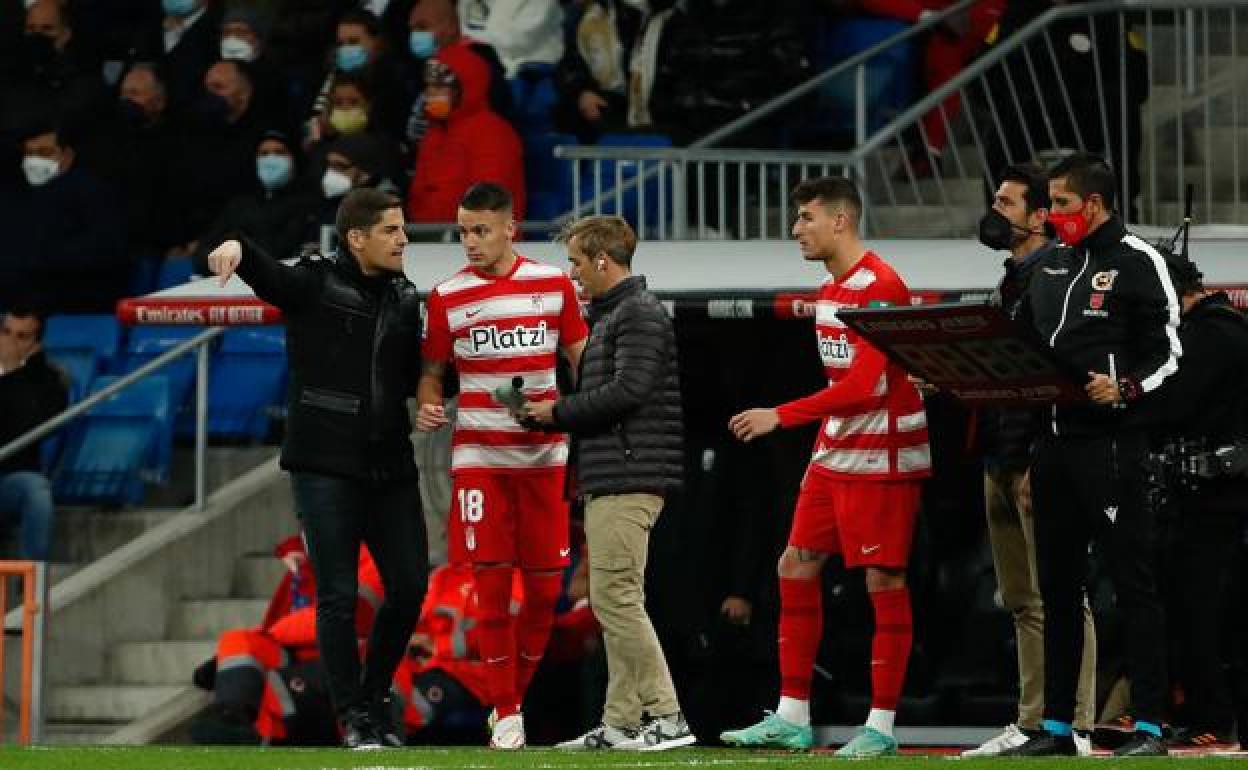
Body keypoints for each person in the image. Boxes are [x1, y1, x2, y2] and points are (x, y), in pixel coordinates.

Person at [204, 188, 429, 750]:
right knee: (337, 595)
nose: (403, 239)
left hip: (390, 462)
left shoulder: (405, 297)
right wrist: (237, 247)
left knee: (409, 588)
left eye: (403, 230)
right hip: (325, 464)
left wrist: (436, 389)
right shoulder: (314, 281)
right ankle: (352, 716)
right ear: (356, 238)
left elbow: (408, 375)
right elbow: (270, 276)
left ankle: (373, 698)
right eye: (391, 230)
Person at [719, 177, 930, 758]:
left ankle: (881, 728)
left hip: (884, 455)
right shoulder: (831, 290)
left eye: (806, 217)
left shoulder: (882, 286)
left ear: (841, 220)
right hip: (836, 452)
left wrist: (780, 416)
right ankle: (791, 716)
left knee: (882, 580)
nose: (796, 229)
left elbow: (865, 386)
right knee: (796, 562)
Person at [1004, 153, 1180, 757]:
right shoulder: (1048, 266)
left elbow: (1171, 353)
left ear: (1093, 206)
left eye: (1060, 204)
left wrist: (1126, 387)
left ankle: (1151, 726)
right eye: (1050, 203)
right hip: (1052, 448)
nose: (1051, 215)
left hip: (1111, 448)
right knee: (1056, 587)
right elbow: (1019, 349)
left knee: (1133, 585)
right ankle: (1058, 726)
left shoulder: (1138, 261)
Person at [415, 181, 588, 749]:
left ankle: (507, 701)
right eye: (463, 231)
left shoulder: (553, 284)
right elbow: (433, 369)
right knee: (489, 582)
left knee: (543, 592)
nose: (470, 241)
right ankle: (509, 710)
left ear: (509, 229)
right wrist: (429, 400)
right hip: (479, 458)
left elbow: (580, 359)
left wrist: (583, 413)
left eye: (481, 230)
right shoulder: (445, 296)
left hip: (544, 457)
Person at [519, 215, 692, 751]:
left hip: (629, 475)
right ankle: (621, 722)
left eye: (575, 262)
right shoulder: (618, 314)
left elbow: (628, 392)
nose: (571, 274)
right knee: (614, 600)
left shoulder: (638, 314)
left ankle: (668, 716)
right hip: (615, 474)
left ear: (601, 260)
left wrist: (557, 412)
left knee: (617, 600)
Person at [961, 164, 1096, 756]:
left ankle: (1079, 722)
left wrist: (1039, 458)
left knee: (1062, 592)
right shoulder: (1008, 282)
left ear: (1041, 216)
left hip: (1037, 453)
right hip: (999, 449)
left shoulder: (1056, 279)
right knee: (1021, 599)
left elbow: (1052, 374)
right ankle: (1033, 717)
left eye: (1007, 202)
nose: (997, 211)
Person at [1142, 256, 1248, 750]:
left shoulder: (1217, 335)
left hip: (1219, 497)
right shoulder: (1208, 333)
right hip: (1196, 495)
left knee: (1202, 609)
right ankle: (1200, 711)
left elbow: (1171, 404)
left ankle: (1214, 714)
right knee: (1188, 607)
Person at [191, 534, 385, 746]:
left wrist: (271, 634)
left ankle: (249, 733)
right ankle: (233, 718)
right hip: (300, 657)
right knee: (237, 641)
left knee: (267, 674)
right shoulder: (308, 564)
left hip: (344, 663)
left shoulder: (377, 561)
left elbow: (344, 619)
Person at [0, 123, 127, 314]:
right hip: (16, 307)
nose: (34, 161)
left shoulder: (92, 194)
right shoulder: (14, 197)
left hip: (75, 302)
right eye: (29, 153)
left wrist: (40, 258)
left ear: (66, 156)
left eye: (44, 153)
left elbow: (107, 250)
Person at [406, 47, 525, 225]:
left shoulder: (492, 131)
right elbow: (417, 197)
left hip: (481, 242)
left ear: (465, 87)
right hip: (431, 239)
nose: (430, 93)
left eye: (439, 86)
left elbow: (490, 203)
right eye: (428, 86)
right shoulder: (433, 133)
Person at [0, 308, 68, 562]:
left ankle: (31, 581)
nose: (9, 342)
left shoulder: (49, 381)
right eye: (6, 332)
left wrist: (11, 372)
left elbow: (27, 428)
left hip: (9, 478)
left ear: (35, 344)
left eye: (21, 337)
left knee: (36, 490)